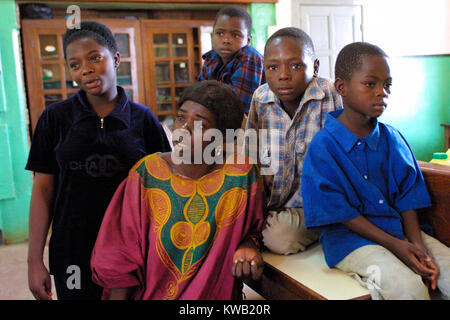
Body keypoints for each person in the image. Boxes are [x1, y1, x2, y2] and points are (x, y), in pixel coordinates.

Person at [26, 21, 171, 300]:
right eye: (75, 64)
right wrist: (34, 260)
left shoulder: (143, 120)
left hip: (132, 249)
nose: (86, 69)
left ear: (115, 59)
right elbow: (43, 190)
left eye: (95, 58)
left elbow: (163, 187)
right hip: (72, 249)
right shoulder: (55, 119)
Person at [301, 42, 450, 300]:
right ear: (342, 88)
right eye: (370, 84)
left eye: (387, 85)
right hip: (351, 241)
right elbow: (340, 213)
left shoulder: (392, 138)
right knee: (408, 288)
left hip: (400, 231)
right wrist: (396, 246)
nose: (382, 93)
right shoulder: (323, 147)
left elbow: (407, 196)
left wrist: (416, 245)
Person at [91, 80, 265, 300]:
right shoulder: (147, 174)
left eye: (199, 123)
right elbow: (119, 256)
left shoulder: (240, 176)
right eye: (181, 118)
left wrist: (249, 245)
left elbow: (254, 229)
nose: (183, 130)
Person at [245, 27, 342, 255]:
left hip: (315, 205)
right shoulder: (261, 98)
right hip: (272, 204)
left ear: (315, 67)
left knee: (281, 238)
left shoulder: (332, 95)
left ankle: (329, 226)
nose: (283, 75)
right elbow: (250, 155)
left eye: (296, 65)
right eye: (273, 67)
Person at [196, 5, 265, 113]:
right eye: (220, 33)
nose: (226, 40)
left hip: (251, 126)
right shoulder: (211, 57)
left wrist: (208, 96)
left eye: (235, 35)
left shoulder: (250, 57)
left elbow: (236, 106)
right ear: (212, 35)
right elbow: (197, 95)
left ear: (247, 40)